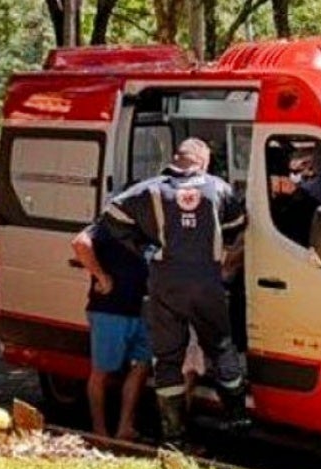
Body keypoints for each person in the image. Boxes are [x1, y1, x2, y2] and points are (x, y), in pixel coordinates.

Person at [100, 138, 248, 440]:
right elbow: (238, 224)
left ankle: (174, 434)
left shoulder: (150, 189)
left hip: (166, 281)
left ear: (176, 159)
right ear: (203, 161)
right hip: (206, 281)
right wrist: (220, 246)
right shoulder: (218, 188)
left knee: (168, 358)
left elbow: (112, 215)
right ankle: (237, 419)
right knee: (221, 347)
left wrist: (144, 247)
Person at [71, 221, 151, 441]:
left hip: (143, 308)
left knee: (142, 366)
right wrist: (101, 276)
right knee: (102, 372)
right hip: (110, 310)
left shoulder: (153, 223)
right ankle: (100, 431)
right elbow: (80, 243)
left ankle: (125, 427)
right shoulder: (111, 221)